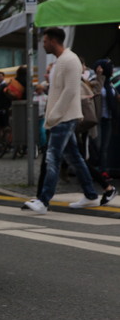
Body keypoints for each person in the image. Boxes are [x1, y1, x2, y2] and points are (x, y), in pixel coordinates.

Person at [23, 27, 99, 214]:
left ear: (54, 41)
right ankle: (91, 196)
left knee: (52, 158)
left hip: (64, 118)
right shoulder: (62, 61)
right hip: (63, 117)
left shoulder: (69, 60)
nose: (43, 44)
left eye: (45, 41)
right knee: (74, 158)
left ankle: (43, 201)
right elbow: (61, 89)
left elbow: (70, 91)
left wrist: (53, 116)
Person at [91, 58, 117, 176]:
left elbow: (115, 96)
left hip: (108, 118)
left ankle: (103, 170)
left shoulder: (110, 84)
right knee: (97, 144)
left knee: (104, 147)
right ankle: (94, 168)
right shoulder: (95, 82)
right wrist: (99, 76)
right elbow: (95, 93)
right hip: (98, 118)